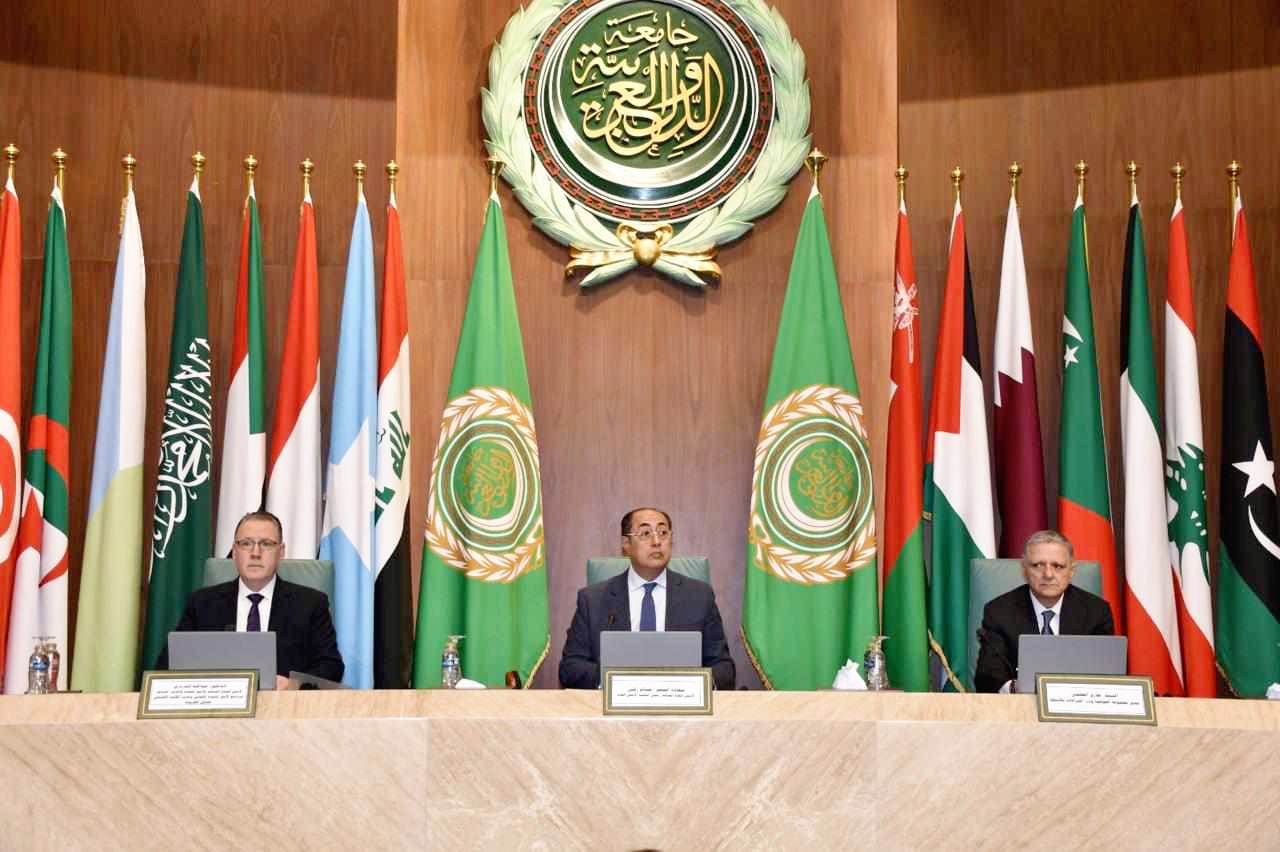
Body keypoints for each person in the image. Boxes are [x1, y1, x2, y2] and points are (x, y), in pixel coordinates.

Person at [157, 510, 343, 689]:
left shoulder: (310, 604)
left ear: (281, 552)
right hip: (221, 707)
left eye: (266, 544)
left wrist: (293, 684)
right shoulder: (202, 604)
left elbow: (331, 667)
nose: (255, 553)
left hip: (281, 707)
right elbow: (168, 664)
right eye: (246, 543)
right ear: (234, 551)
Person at [559, 507, 735, 690]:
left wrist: (693, 684)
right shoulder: (592, 600)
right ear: (626, 544)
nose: (657, 542)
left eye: (663, 532)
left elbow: (724, 668)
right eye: (645, 533)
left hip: (679, 702)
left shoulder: (700, 596)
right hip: (617, 703)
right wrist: (615, 679)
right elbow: (570, 668)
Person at [974, 529, 1115, 693]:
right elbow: (988, 677)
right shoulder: (999, 612)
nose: (1048, 574)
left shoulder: (1096, 612)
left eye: (1058, 566)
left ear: (1071, 571)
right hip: (1020, 705)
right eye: (1038, 565)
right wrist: (1015, 688)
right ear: (1024, 570)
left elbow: (1108, 674)